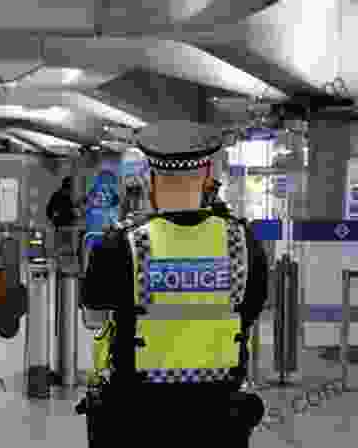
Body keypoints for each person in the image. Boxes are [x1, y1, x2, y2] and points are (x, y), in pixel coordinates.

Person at [80, 120, 269, 447]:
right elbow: (249, 313)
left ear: (150, 179)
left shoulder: (121, 243)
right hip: (219, 419)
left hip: (137, 417)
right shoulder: (243, 241)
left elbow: (94, 313)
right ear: (208, 177)